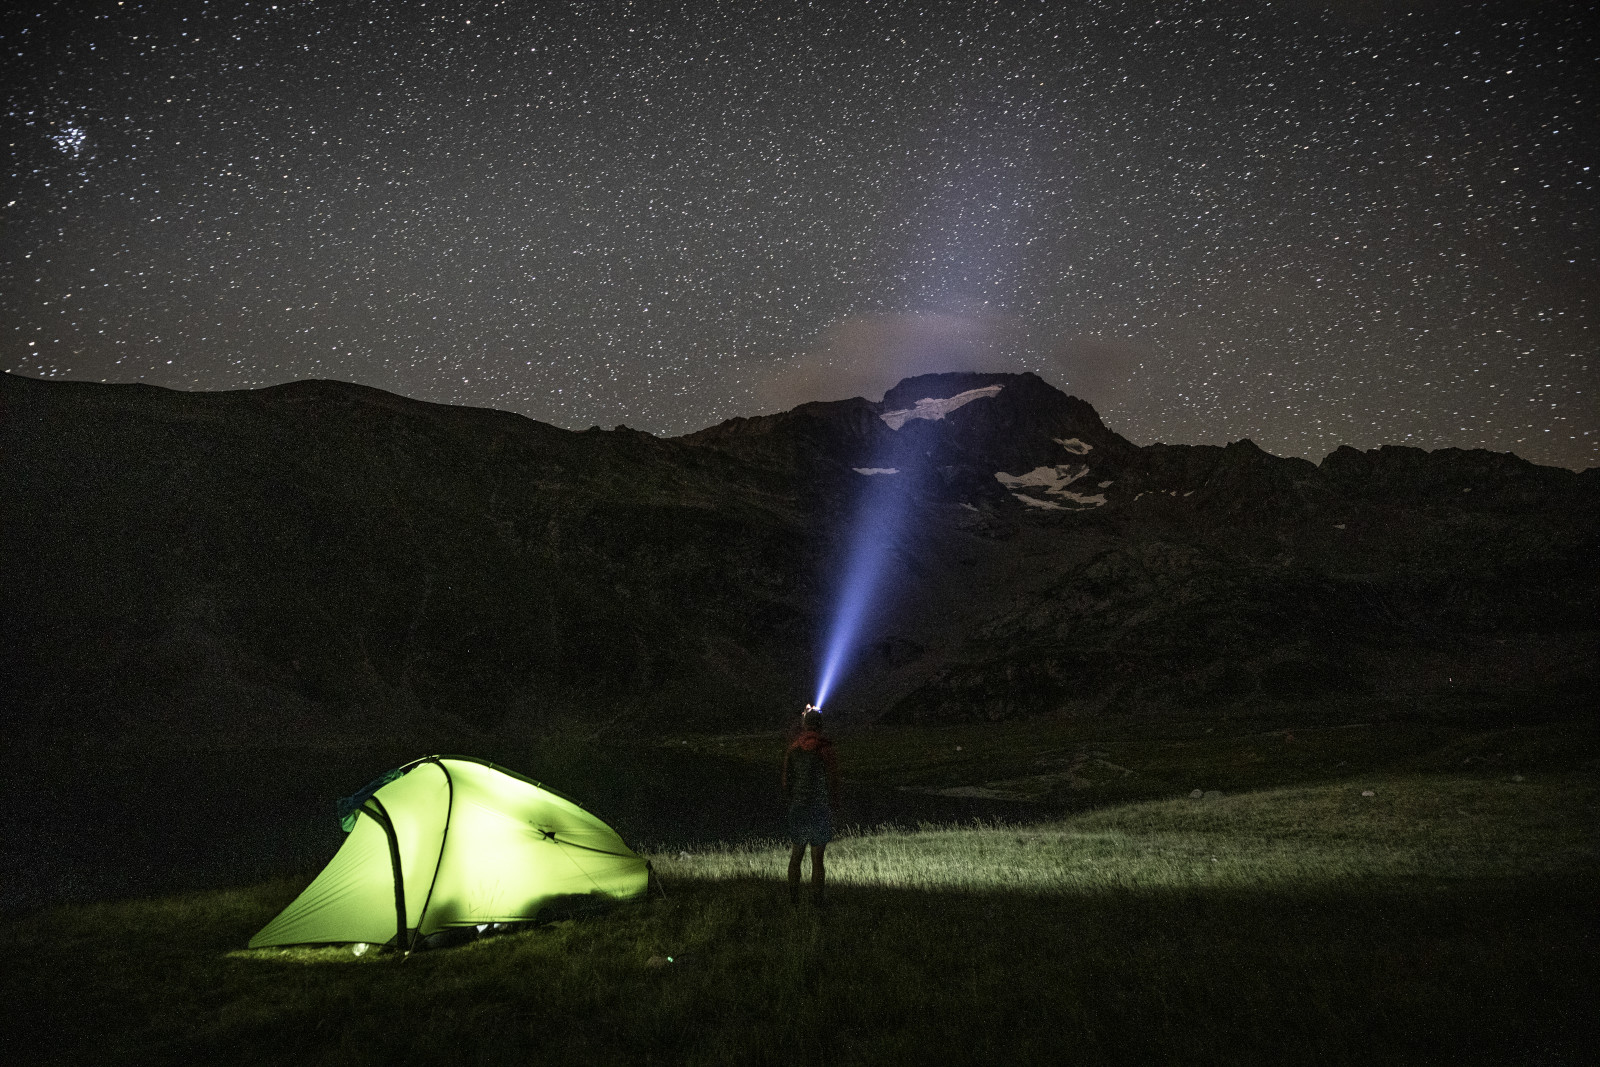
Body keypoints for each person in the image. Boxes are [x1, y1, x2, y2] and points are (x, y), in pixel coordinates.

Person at [783, 704, 840, 905]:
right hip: (819, 808)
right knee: (818, 860)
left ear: (804, 725)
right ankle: (817, 903)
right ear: (820, 725)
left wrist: (794, 801)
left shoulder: (794, 748)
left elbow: (786, 781)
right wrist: (833, 805)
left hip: (799, 806)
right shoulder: (826, 748)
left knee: (796, 855)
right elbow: (832, 780)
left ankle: (793, 901)